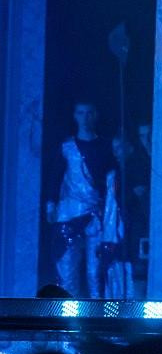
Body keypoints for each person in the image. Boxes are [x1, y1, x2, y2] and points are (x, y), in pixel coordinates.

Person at [46, 99, 116, 298]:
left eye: (89, 112)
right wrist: (50, 204)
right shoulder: (67, 147)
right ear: (74, 116)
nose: (85, 118)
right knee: (67, 272)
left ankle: (99, 314)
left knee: (96, 273)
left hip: (97, 215)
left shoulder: (105, 146)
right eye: (80, 112)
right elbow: (56, 176)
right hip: (69, 214)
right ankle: (68, 314)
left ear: (96, 115)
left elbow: (111, 182)